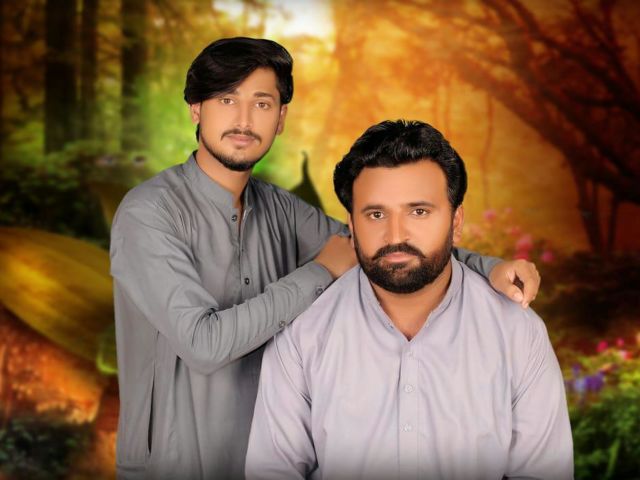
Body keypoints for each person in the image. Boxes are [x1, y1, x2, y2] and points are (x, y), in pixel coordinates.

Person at [110, 38, 541, 480]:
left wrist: (488, 268)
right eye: (226, 100)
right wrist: (321, 272)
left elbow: (382, 247)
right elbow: (203, 344)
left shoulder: (278, 208)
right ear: (196, 109)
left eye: (262, 103)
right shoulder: (148, 214)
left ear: (281, 118)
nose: (243, 120)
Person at [245, 120, 572, 480]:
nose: (396, 235)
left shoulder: (517, 334)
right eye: (376, 214)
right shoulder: (303, 334)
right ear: (351, 225)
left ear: (456, 222)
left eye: (419, 212)